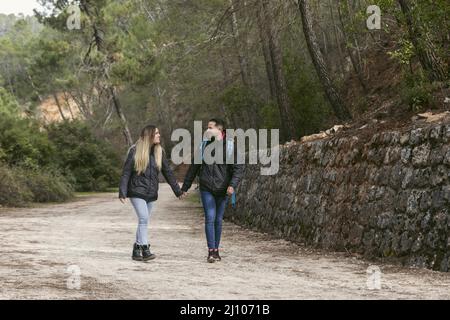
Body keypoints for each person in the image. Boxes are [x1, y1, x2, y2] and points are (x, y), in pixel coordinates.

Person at [181, 118, 244, 263]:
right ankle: (211, 251)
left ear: (219, 130)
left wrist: (232, 185)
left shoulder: (230, 147)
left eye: (210, 127)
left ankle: (217, 250)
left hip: (223, 190)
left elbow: (238, 169)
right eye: (207, 127)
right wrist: (185, 187)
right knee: (210, 217)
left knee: (218, 220)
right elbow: (194, 168)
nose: (207, 130)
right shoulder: (203, 147)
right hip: (206, 188)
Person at [119, 125, 184, 262]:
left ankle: (136, 250)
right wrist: (122, 192)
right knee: (143, 218)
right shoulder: (134, 151)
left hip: (151, 193)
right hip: (136, 191)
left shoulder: (159, 152)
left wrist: (177, 191)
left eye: (159, 133)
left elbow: (168, 173)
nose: (159, 135)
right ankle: (145, 249)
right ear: (149, 136)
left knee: (144, 221)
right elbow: (126, 173)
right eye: (156, 134)